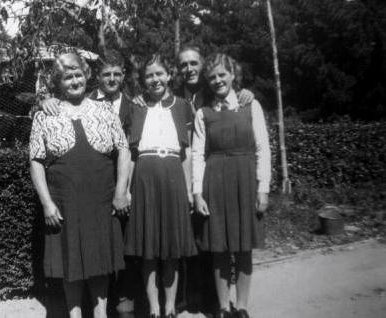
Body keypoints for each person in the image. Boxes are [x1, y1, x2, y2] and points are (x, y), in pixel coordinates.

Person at [29, 52, 131, 318]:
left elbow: (123, 150)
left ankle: (101, 315)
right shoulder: (45, 115)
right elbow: (36, 162)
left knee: (101, 261)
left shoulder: (105, 110)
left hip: (101, 200)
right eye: (67, 76)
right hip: (65, 202)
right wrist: (46, 203)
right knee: (69, 261)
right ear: (58, 83)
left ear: (86, 75)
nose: (74, 81)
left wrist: (121, 191)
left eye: (77, 74)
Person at [192, 53, 271, 318]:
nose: (217, 81)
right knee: (220, 248)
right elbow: (197, 155)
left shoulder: (251, 105)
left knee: (243, 246)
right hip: (215, 182)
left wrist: (264, 188)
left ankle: (243, 307)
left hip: (245, 181)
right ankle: (224, 308)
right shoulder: (203, 113)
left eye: (222, 75)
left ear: (233, 75)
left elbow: (263, 148)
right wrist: (197, 192)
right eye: (212, 77)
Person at [124, 54, 197, 318]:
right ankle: (154, 308)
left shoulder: (182, 106)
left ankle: (169, 308)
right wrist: (127, 190)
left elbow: (187, 153)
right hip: (145, 176)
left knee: (171, 248)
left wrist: (189, 190)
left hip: (173, 176)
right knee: (149, 248)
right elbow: (130, 154)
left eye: (159, 74)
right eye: (149, 76)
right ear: (143, 81)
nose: (155, 79)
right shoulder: (136, 107)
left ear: (168, 75)